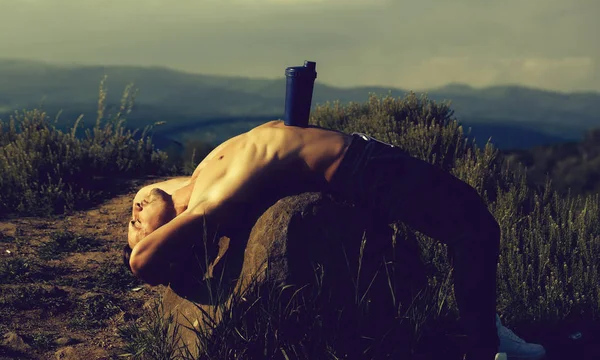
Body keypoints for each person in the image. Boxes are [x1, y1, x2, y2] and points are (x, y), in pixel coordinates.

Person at [123, 120, 546, 360]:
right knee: (474, 225)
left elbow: (150, 194)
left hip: (361, 151)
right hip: (356, 166)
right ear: (169, 236)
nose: (135, 214)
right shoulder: (212, 202)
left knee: (471, 220)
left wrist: (152, 209)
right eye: (136, 227)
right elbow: (142, 261)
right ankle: (485, 348)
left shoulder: (189, 185)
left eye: (133, 216)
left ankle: (483, 328)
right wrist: (147, 247)